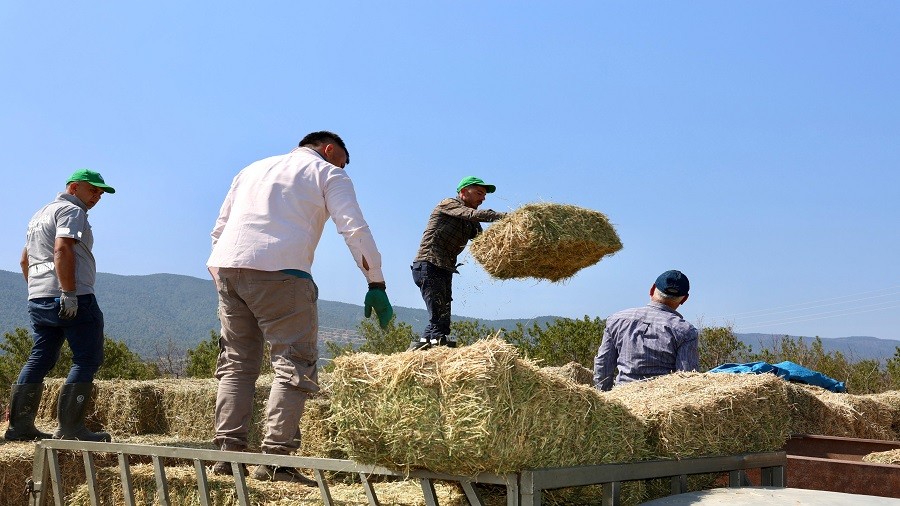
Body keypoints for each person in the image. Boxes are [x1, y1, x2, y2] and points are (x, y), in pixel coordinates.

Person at [207, 131, 393, 483]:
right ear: (328, 150)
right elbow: (353, 228)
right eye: (343, 160)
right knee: (293, 363)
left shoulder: (250, 170)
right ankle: (275, 461)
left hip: (229, 269)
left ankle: (226, 455)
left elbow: (219, 229)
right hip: (283, 272)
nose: (344, 167)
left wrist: (221, 276)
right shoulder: (328, 173)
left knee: (237, 365)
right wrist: (376, 282)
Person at [5, 169, 116, 443]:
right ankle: (71, 429)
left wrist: (38, 290)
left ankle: (19, 427)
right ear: (74, 187)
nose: (97, 196)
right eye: (93, 190)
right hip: (71, 296)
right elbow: (62, 249)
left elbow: (24, 259)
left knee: (40, 357)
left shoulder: (40, 213)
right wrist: (67, 292)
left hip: (39, 297)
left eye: (101, 193)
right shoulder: (71, 211)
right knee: (87, 358)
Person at [408, 176, 505, 350]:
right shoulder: (448, 204)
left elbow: (484, 242)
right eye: (479, 193)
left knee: (441, 320)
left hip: (444, 268)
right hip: (428, 264)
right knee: (439, 320)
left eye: (484, 195)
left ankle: (416, 353)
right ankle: (439, 352)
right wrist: (505, 217)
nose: (482, 198)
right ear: (462, 192)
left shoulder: (472, 223)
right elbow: (471, 214)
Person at [593, 270, 699, 391]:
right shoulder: (686, 331)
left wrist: (605, 400)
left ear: (652, 289)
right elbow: (687, 379)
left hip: (620, 399)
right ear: (684, 299)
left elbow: (603, 364)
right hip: (662, 404)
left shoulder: (616, 319)